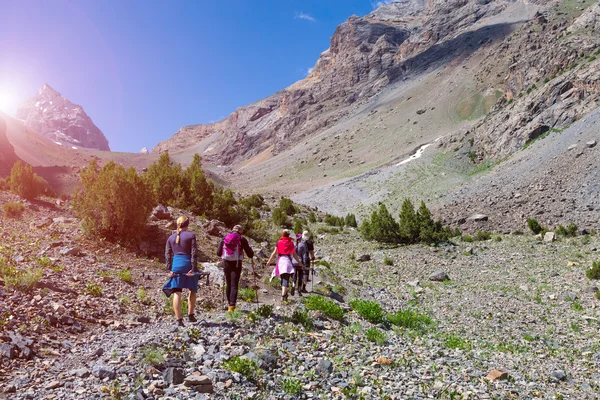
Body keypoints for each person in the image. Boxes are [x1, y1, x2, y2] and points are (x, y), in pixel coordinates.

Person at [163, 216, 200, 327]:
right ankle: (191, 314)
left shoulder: (171, 238)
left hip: (176, 265)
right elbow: (194, 253)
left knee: (177, 292)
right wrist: (193, 268)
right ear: (187, 225)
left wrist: (169, 269)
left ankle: (179, 320)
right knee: (192, 289)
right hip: (187, 264)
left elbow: (167, 255)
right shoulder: (191, 235)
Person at [217, 225, 254, 312]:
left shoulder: (225, 237)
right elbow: (249, 254)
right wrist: (251, 252)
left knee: (228, 283)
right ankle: (232, 306)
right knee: (234, 284)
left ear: (232, 230)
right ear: (240, 231)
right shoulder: (241, 239)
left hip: (226, 262)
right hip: (236, 263)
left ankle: (229, 303)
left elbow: (218, 253)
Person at [267, 230, 304, 304]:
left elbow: (274, 253)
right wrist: (300, 263)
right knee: (286, 278)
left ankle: (284, 294)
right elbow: (294, 255)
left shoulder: (279, 242)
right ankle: (284, 294)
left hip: (280, 261)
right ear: (288, 235)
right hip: (288, 261)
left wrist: (269, 262)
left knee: (283, 277)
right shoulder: (291, 243)